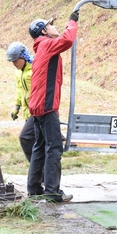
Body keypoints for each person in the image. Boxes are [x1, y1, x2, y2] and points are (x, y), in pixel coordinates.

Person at [27, 12, 79, 204]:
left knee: (39, 147)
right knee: (54, 148)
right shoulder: (47, 45)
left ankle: (34, 189)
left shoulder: (41, 46)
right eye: (50, 25)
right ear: (43, 31)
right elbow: (67, 40)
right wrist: (72, 22)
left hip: (38, 105)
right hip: (47, 106)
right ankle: (52, 192)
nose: (53, 27)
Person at [6, 41, 35, 162]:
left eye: (15, 60)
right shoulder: (19, 72)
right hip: (27, 113)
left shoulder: (34, 70)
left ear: (23, 56)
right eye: (12, 61)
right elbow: (20, 90)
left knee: (25, 137)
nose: (14, 64)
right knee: (34, 142)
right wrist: (16, 107)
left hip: (37, 112)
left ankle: (40, 173)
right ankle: (39, 174)